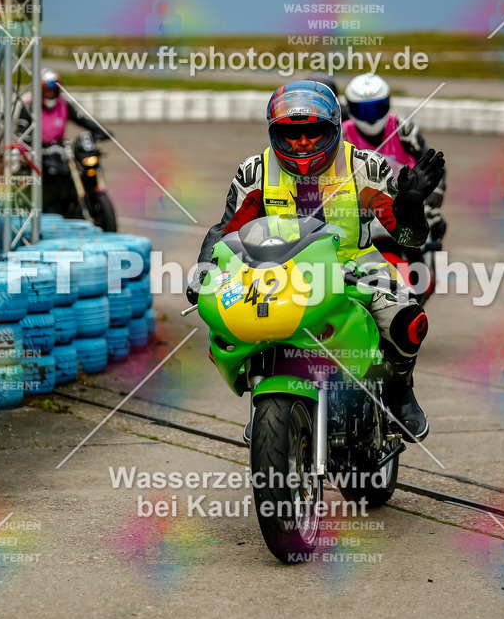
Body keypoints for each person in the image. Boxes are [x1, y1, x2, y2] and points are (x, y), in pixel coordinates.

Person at [186, 79, 445, 442]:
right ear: (275, 133)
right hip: (273, 269)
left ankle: (400, 391)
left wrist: (410, 206)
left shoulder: (365, 166)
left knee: (407, 320)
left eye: (314, 131)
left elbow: (408, 238)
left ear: (335, 129)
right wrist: (203, 272)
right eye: (291, 133)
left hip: (353, 264)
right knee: (225, 324)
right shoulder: (254, 172)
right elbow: (226, 230)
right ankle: (264, 396)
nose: (302, 142)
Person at [342, 74, 446, 244]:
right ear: (350, 108)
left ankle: (426, 266)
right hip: (361, 207)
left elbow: (431, 164)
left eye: (377, 109)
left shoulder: (402, 129)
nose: (370, 117)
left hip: (407, 201)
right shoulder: (342, 134)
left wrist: (436, 191)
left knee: (435, 226)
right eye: (363, 110)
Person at [17, 68, 106, 145]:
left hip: (57, 151)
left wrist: (100, 130)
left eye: (53, 91)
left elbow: (81, 120)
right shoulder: (29, 106)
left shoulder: (63, 105)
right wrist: (31, 140)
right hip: (35, 153)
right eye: (47, 91)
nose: (50, 94)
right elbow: (20, 131)